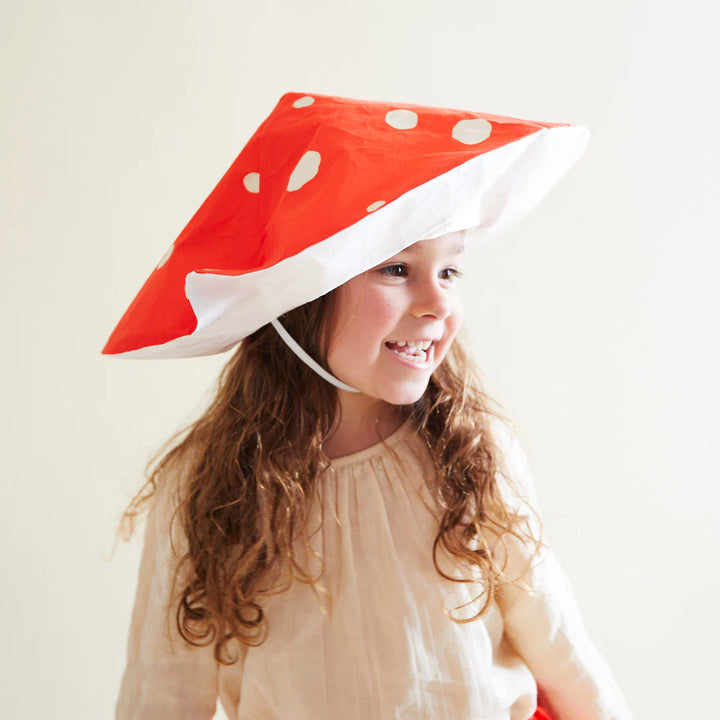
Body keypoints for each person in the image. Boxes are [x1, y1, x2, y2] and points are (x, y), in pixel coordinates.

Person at [107, 93, 634, 720]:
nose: (437, 304)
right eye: (395, 269)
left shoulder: (471, 450)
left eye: (449, 272)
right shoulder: (205, 485)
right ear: (302, 293)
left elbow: (561, 648)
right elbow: (162, 693)